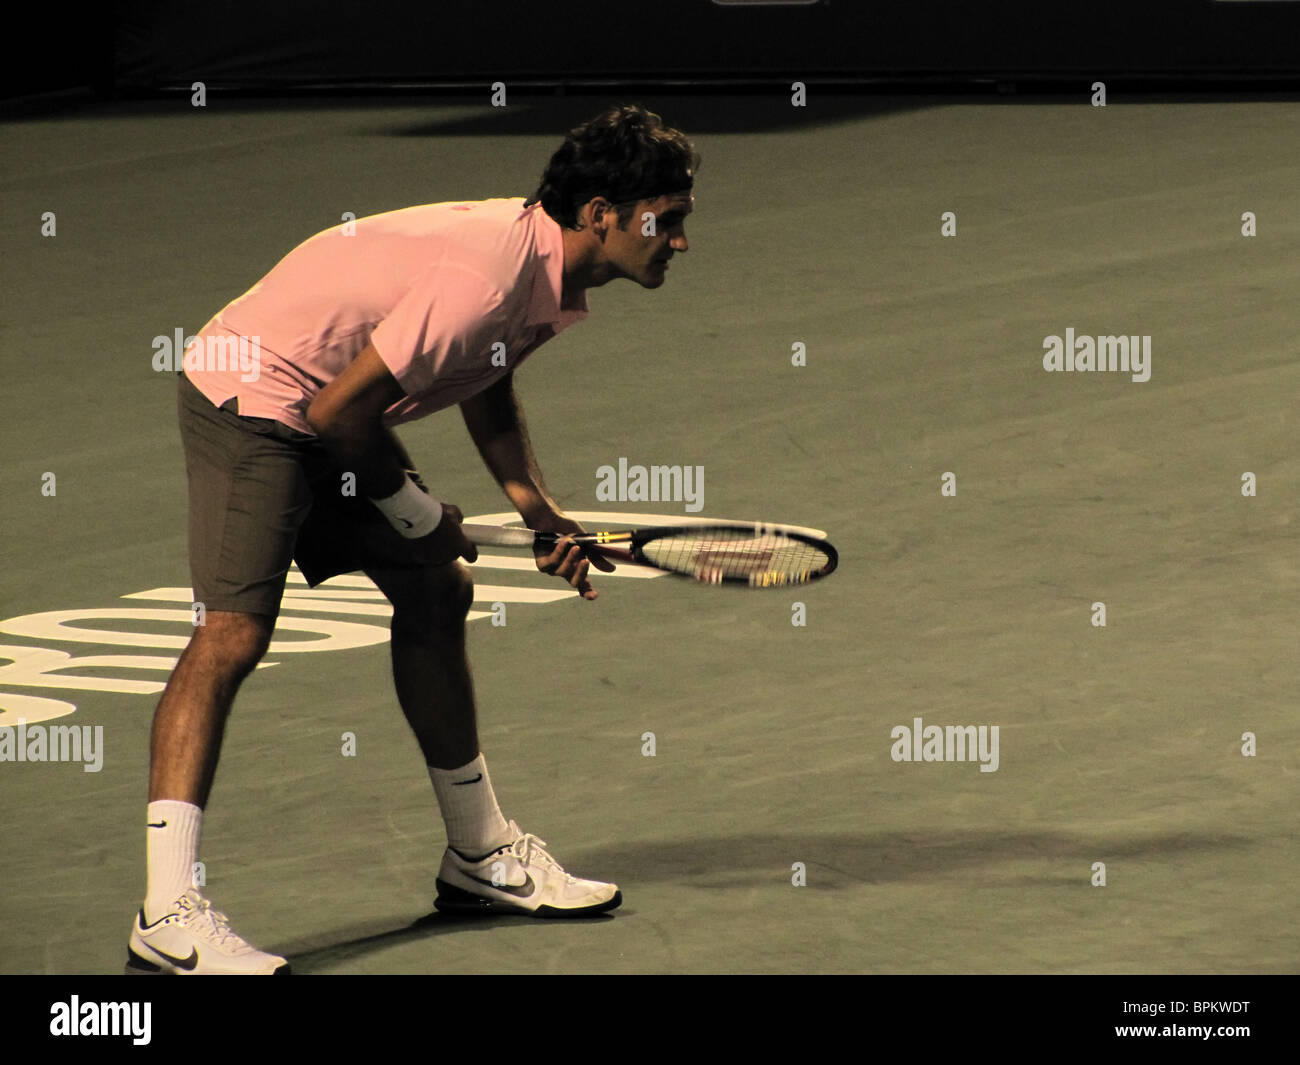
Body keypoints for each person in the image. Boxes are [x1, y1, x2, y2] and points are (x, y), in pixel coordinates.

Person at [126, 104, 697, 974]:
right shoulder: (489, 278)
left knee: (439, 588)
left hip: (325, 400)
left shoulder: (545, 272)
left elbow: (484, 371)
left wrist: (535, 507)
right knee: (232, 635)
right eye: (669, 219)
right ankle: (167, 913)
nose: (680, 241)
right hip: (254, 394)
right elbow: (334, 412)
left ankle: (479, 855)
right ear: (601, 215)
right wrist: (416, 518)